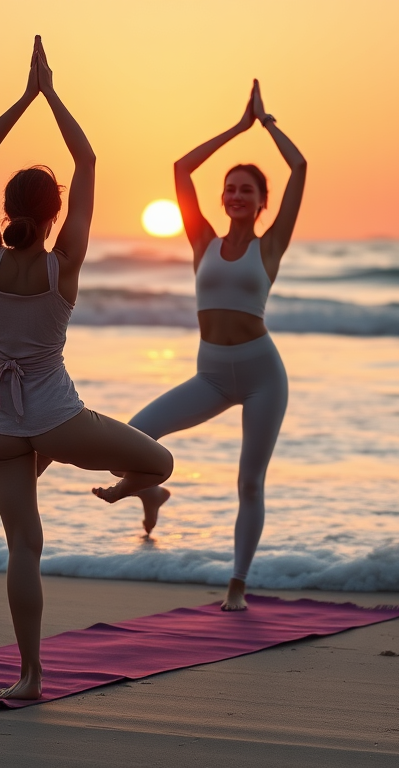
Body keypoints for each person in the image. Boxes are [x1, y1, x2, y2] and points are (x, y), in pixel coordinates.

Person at [0, 36, 173, 700]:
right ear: (57, 213)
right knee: (159, 464)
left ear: (6, 211)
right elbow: (86, 159)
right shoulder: (65, 265)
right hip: (56, 418)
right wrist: (51, 94)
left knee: (23, 547)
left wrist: (22, 97)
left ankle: (29, 677)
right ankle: (129, 491)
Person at [126, 79, 306, 611]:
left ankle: (237, 584)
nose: (235, 196)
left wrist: (267, 125)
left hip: (262, 376)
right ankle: (153, 493)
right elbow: (181, 169)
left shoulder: (270, 246)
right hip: (210, 375)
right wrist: (236, 128)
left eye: (246, 190)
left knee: (249, 482)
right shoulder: (202, 240)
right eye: (229, 188)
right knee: (134, 437)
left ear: (262, 202)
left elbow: (299, 168)